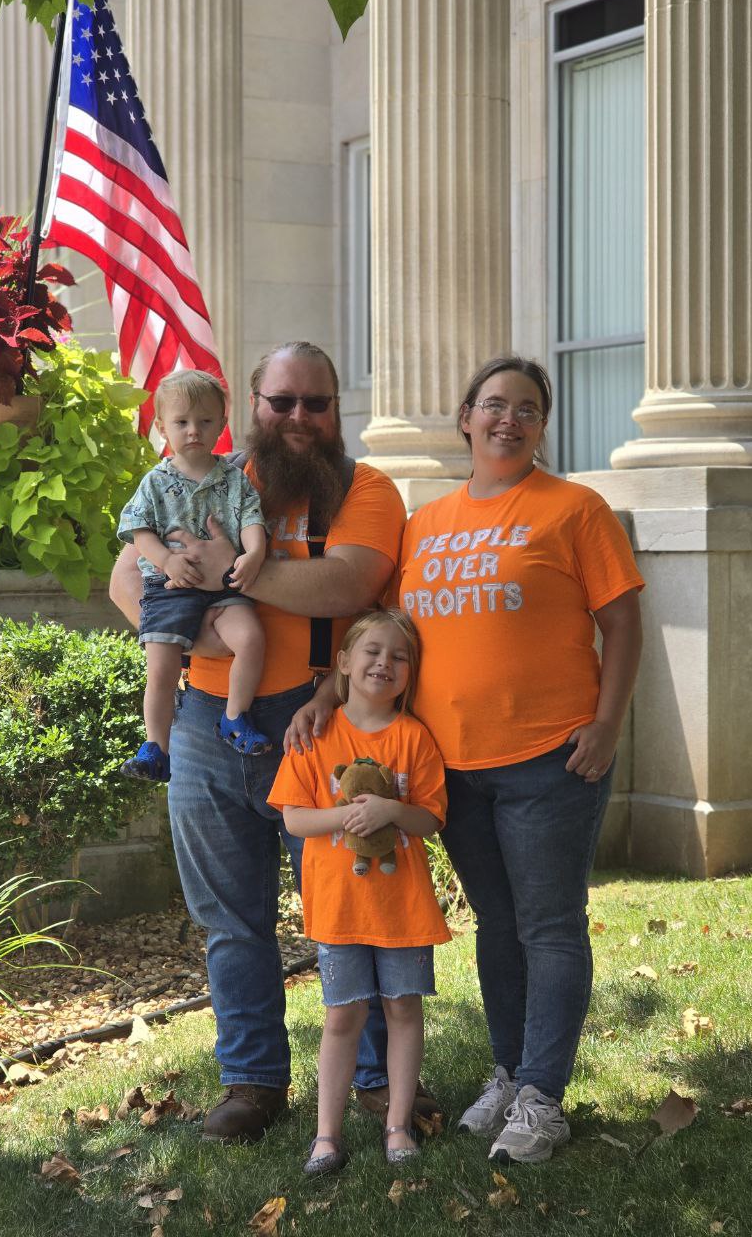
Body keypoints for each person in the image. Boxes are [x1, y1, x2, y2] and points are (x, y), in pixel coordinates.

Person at [289, 355, 644, 1165]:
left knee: (549, 927)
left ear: (541, 426)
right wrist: (326, 696)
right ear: (465, 418)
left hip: (551, 757)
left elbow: (622, 625)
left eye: (526, 408)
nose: (508, 420)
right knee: (497, 924)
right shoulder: (429, 520)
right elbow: (390, 639)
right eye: (493, 405)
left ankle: (543, 1099)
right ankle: (512, 1073)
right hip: (452, 769)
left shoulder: (576, 510)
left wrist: (607, 724)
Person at [109, 341, 422, 1144]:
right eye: (280, 402)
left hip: (319, 722)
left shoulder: (366, 489)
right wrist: (204, 639)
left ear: (336, 410)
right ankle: (253, 1082)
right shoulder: (206, 478)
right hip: (208, 721)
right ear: (252, 406)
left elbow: (347, 583)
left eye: (314, 404)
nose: (297, 419)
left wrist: (230, 573)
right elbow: (125, 578)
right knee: (229, 918)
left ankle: (376, 1079)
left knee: (349, 909)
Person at [269, 609, 450, 1176]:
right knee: (341, 1018)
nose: (384, 663)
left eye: (399, 657)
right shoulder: (316, 734)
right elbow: (295, 820)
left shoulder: (414, 737)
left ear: (409, 673)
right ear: (343, 663)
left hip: (403, 909)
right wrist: (346, 818)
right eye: (372, 651)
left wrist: (392, 810)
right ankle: (327, 1134)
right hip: (340, 909)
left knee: (402, 1009)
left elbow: (431, 819)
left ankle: (397, 1125)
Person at [117, 370, 270, 781]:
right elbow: (137, 529)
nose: (193, 431)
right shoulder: (156, 481)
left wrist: (254, 554)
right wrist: (166, 560)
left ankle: (234, 717)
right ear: (163, 427)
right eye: (181, 422)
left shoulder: (233, 480)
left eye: (205, 421)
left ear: (222, 423)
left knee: (251, 638)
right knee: (162, 668)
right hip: (170, 589)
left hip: (223, 590)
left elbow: (251, 520)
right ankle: (155, 746)